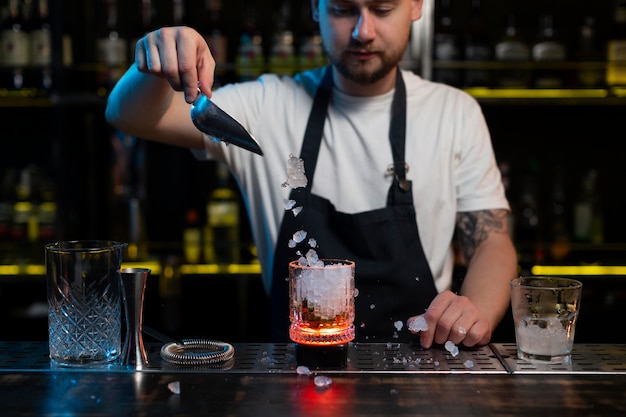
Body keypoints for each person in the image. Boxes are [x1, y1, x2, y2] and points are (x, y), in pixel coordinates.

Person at [106, 0, 518, 347]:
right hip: (296, 381)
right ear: (314, 9)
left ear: (415, 6)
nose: (363, 31)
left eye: (382, 8)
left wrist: (475, 308)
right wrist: (153, 61)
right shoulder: (268, 106)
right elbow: (129, 115)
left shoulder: (454, 114)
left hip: (420, 377)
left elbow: (491, 241)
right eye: (342, 9)